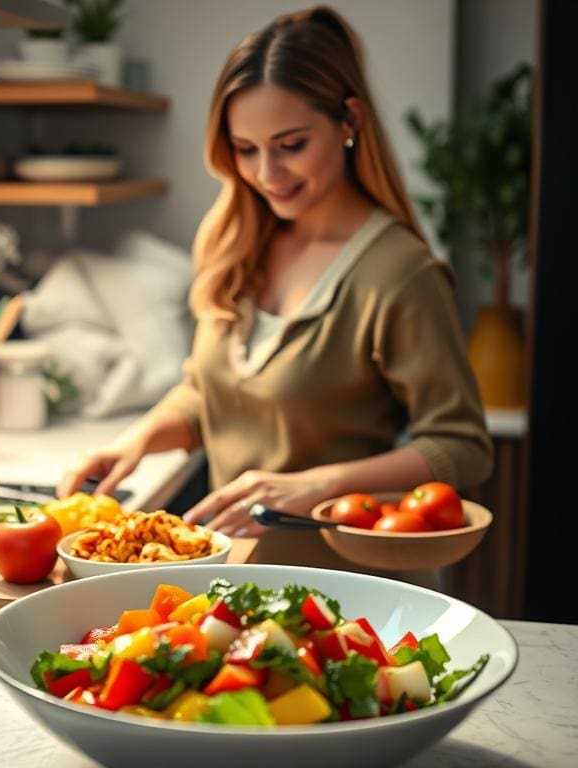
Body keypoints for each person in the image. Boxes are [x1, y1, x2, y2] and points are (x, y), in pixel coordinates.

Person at [57, 5, 493, 574]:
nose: (267, 173)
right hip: (235, 580)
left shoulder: (400, 273)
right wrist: (138, 439)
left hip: (353, 594)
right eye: (246, 149)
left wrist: (317, 485)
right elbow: (210, 394)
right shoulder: (237, 244)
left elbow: (462, 449)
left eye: (290, 144)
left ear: (349, 121)